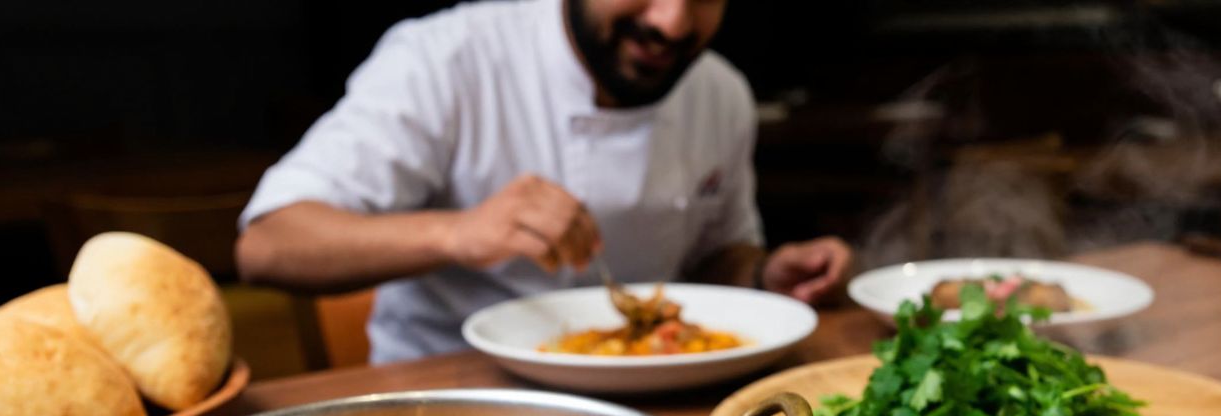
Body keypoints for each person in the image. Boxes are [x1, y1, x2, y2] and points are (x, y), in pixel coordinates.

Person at [236, 0, 852, 364]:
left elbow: (720, 255)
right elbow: (267, 244)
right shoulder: (444, 57)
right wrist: (454, 232)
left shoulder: (720, 90)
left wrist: (763, 275)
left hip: (661, 399)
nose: (672, 22)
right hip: (450, 396)